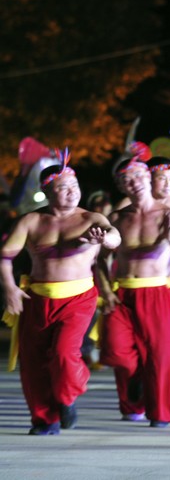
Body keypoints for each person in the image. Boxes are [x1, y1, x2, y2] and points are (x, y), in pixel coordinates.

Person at [1, 149, 120, 435]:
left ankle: (67, 398)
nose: (71, 193)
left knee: (65, 352)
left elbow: (114, 237)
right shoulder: (31, 221)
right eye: (63, 188)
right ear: (47, 190)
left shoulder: (91, 218)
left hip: (78, 298)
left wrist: (105, 238)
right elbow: (5, 256)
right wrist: (9, 288)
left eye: (75, 187)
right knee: (34, 362)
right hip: (38, 298)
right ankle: (45, 420)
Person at [97, 156, 170, 427]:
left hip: (156, 290)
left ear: (148, 178)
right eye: (127, 179)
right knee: (114, 350)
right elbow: (99, 258)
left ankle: (160, 413)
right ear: (121, 186)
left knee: (162, 356)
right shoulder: (116, 218)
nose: (134, 183)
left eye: (138, 176)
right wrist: (105, 289)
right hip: (122, 292)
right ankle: (136, 378)